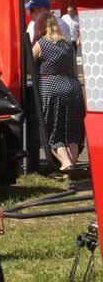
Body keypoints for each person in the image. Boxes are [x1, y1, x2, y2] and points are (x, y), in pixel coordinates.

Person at [32, 12, 86, 172]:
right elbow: (75, 69)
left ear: (40, 26)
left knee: (52, 129)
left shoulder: (41, 43)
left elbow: (27, 64)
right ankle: (70, 168)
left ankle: (66, 165)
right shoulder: (68, 44)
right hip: (73, 87)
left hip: (52, 88)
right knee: (73, 130)